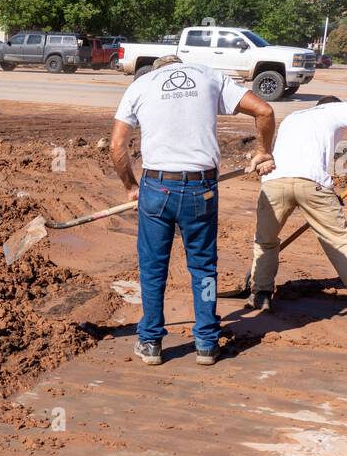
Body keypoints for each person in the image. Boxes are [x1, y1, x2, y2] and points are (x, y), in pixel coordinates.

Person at [110, 55, 276, 366]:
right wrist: (263, 151)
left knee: (153, 268)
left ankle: (150, 343)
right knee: (203, 268)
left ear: (160, 69)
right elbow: (264, 110)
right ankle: (207, 343)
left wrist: (131, 186)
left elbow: (117, 146)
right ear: (180, 65)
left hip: (157, 188)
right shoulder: (209, 75)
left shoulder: (141, 85)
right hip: (202, 189)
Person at [246, 95, 347, 320]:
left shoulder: (294, 117)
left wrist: (328, 195)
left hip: (274, 182)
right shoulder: (333, 110)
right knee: (338, 240)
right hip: (312, 183)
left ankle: (261, 293)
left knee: (266, 241)